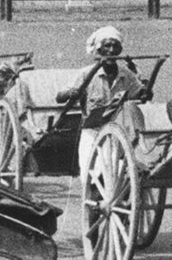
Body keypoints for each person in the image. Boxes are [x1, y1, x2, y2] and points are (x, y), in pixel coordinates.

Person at [59, 27, 150, 183]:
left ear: (120, 50)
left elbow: (139, 94)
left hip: (117, 134)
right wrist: (71, 93)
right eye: (107, 46)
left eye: (115, 46)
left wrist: (145, 92)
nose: (111, 50)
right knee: (90, 178)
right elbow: (59, 97)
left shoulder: (126, 74)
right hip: (92, 133)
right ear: (99, 50)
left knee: (116, 175)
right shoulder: (86, 74)